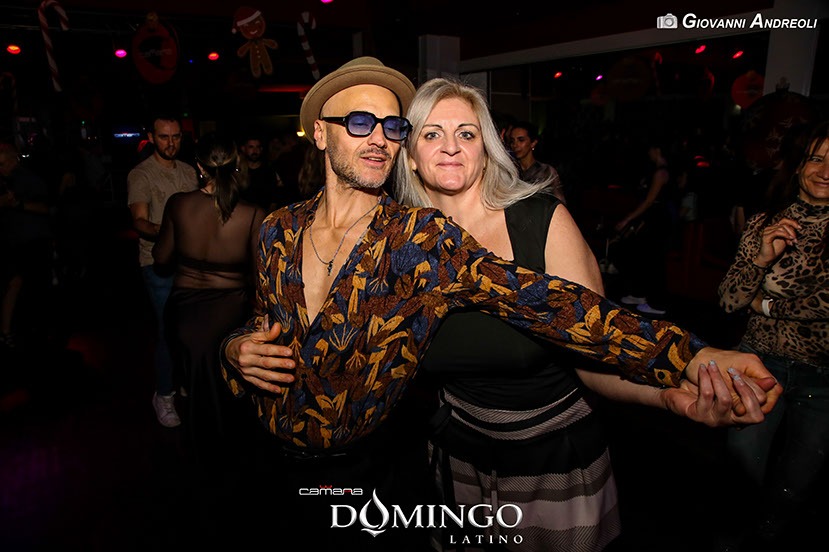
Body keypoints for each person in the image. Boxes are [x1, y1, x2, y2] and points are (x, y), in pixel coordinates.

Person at [219, 57, 780, 550]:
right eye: (360, 122)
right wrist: (234, 349)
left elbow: (562, 308)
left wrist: (692, 356)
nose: (379, 139)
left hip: (373, 477)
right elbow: (263, 326)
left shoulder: (420, 241)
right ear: (320, 133)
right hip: (271, 465)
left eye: (392, 126)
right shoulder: (277, 229)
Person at [394, 77, 771, 552]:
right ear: (410, 155)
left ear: (486, 150)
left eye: (466, 133)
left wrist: (673, 395)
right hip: (458, 454)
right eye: (432, 133)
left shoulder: (540, 220)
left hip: (548, 456)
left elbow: (598, 352)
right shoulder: (405, 246)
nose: (450, 146)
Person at [717, 120, 829, 550]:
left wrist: (764, 305)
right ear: (799, 165)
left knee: (795, 484)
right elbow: (729, 300)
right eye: (816, 158)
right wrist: (761, 259)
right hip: (760, 365)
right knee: (740, 474)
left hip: (823, 377)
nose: (824, 171)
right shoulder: (766, 223)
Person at [152, 132, 266, 543]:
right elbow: (259, 277)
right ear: (237, 164)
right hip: (229, 314)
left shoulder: (178, 204)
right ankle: (231, 471)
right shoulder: (253, 213)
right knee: (227, 393)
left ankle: (201, 472)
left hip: (185, 314)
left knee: (196, 391)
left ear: (199, 167)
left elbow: (161, 259)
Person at [127, 113, 197, 428]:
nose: (171, 143)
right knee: (168, 330)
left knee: (189, 329)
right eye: (164, 137)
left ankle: (182, 380)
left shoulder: (189, 171)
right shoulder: (141, 174)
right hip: (157, 264)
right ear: (152, 138)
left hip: (189, 263)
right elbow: (139, 222)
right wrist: (171, 231)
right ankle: (164, 394)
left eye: (176, 137)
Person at [614, 138, 678, 316]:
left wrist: (627, 219)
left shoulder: (661, 173)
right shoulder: (657, 171)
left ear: (657, 150)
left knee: (653, 261)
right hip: (653, 219)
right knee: (642, 256)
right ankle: (639, 294)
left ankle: (657, 303)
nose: (649, 153)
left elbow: (649, 201)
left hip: (659, 220)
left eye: (651, 150)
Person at [0, 143, 53, 349]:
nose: (2, 168)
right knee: (19, 286)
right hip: (16, 242)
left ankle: (40, 334)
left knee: (35, 288)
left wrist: (19, 204)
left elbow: (46, 207)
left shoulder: (29, 179)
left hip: (33, 241)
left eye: (3, 163)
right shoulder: (6, 180)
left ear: (13, 158)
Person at [509, 120, 566, 204]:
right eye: (512, 141)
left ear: (533, 143)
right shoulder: (510, 171)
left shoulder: (546, 171)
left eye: (521, 140)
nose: (515, 145)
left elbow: (559, 201)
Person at [237, 133, 283, 213]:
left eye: (257, 147)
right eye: (251, 147)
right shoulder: (238, 172)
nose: (255, 151)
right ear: (243, 148)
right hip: (242, 214)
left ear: (261, 149)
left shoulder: (269, 171)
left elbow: (274, 200)